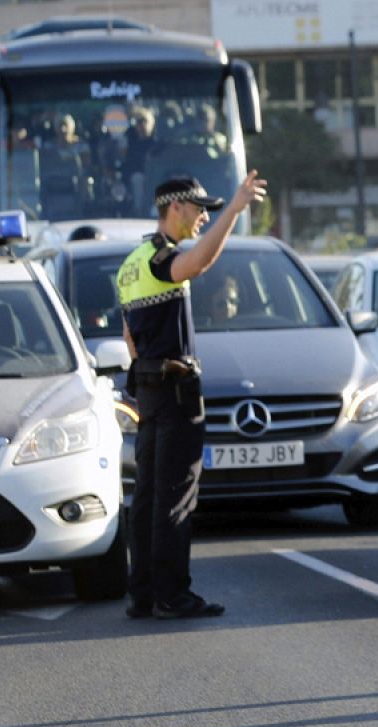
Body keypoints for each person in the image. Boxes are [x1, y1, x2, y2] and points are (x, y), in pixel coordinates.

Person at [117, 171, 267, 620]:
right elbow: (198, 264)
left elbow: (128, 335)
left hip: (150, 390)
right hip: (175, 392)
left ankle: (144, 592)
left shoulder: (132, 262)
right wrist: (234, 211)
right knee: (175, 496)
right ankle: (172, 595)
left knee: (148, 496)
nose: (204, 217)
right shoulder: (161, 257)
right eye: (199, 209)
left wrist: (148, 374)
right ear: (175, 207)